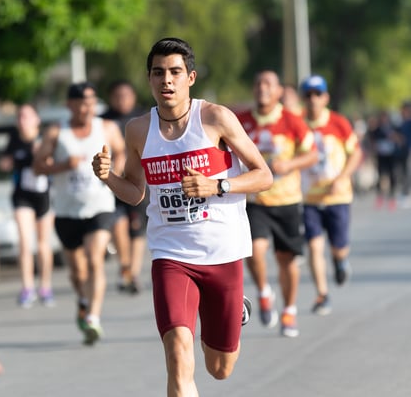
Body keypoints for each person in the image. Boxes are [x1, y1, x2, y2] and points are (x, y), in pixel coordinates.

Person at [92, 37, 273, 396]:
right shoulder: (138, 130)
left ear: (190, 77)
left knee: (219, 369)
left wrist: (216, 186)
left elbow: (264, 175)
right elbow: (136, 192)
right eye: (158, 73)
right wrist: (107, 178)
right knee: (178, 356)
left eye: (175, 72)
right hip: (171, 254)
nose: (166, 81)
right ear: (149, 80)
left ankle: (234, 309)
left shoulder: (216, 118)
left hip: (222, 251)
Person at [33, 82, 126, 345]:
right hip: (66, 211)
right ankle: (83, 300)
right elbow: (38, 166)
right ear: (69, 105)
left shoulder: (106, 127)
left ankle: (93, 318)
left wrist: (114, 171)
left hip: (99, 206)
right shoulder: (56, 132)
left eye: (91, 102)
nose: (87, 107)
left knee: (95, 260)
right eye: (82, 102)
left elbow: (120, 151)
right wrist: (62, 165)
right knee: (77, 272)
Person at [236, 70, 318, 338]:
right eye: (258, 83)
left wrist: (289, 164)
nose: (262, 88)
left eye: (268, 84)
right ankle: (263, 292)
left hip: (287, 200)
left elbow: (312, 154)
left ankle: (289, 311)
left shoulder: (292, 121)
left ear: (279, 91)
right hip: (255, 199)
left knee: (286, 259)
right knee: (255, 251)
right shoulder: (241, 121)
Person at [299, 74, 362, 316]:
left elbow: (355, 154)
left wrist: (342, 177)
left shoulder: (338, 123)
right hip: (309, 198)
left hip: (338, 196)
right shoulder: (299, 124)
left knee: (338, 246)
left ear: (325, 97)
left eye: (317, 94)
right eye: (308, 95)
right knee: (314, 247)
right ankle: (322, 295)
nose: (313, 99)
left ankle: (339, 261)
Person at [0, 104, 55, 308]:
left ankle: (45, 287)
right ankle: (27, 288)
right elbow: (3, 164)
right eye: (20, 117)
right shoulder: (14, 140)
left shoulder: (45, 140)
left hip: (44, 197)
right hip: (22, 196)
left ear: (36, 120)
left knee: (42, 244)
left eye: (27, 116)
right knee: (24, 241)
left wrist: (42, 155)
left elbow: (54, 166)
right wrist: (9, 160)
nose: (22, 120)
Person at [100, 80, 148, 293]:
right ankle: (125, 267)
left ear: (134, 97)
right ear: (111, 98)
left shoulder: (144, 118)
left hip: (140, 180)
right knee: (118, 225)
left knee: (137, 230)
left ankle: (133, 273)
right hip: (114, 180)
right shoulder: (103, 121)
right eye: (118, 96)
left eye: (126, 95)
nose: (122, 100)